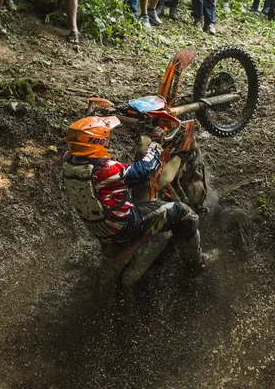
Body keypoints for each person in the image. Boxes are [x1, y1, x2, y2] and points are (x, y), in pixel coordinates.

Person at [62, 117, 204, 280]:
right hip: (125, 225)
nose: (108, 143)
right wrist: (156, 142)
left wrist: (89, 121)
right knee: (185, 213)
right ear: (96, 143)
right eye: (105, 139)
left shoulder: (68, 162)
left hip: (100, 228)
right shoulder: (106, 170)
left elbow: (68, 148)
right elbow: (148, 168)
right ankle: (196, 267)